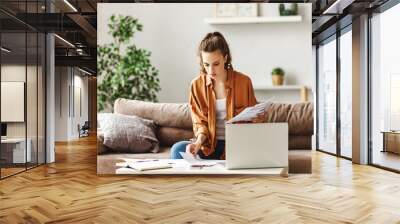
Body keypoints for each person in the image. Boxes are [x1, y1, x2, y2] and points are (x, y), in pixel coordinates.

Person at [170, 31, 264, 160]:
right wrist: (198, 143)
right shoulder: (196, 86)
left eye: (216, 64)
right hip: (208, 146)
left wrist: (258, 118)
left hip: (236, 146)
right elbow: (200, 123)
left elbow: (255, 118)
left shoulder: (244, 82)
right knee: (178, 149)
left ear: (225, 58)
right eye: (206, 64)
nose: (211, 71)